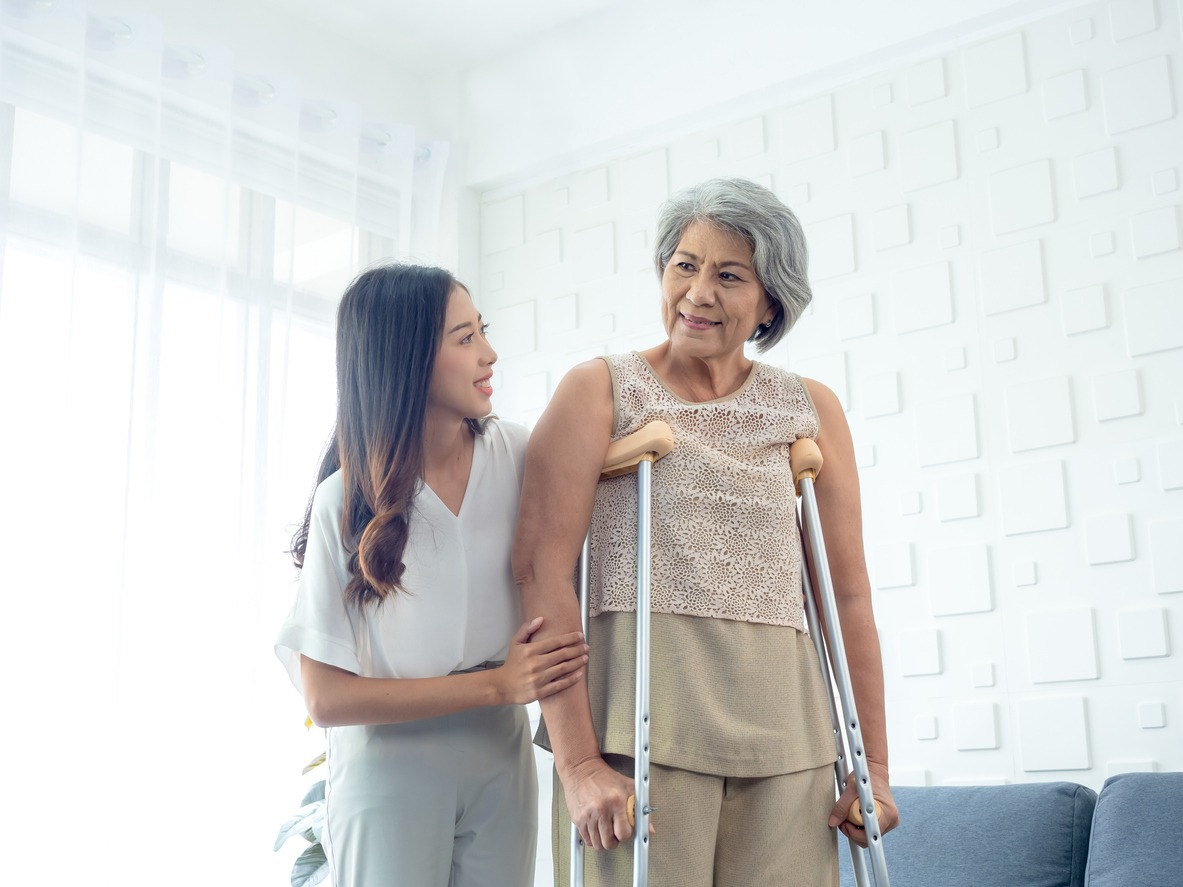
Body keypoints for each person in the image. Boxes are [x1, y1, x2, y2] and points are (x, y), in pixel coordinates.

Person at [512, 178, 900, 886]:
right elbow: (538, 572)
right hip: (642, 729)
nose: (696, 292)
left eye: (728, 275)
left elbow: (846, 596)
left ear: (770, 300)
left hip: (790, 742)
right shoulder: (598, 389)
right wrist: (576, 763)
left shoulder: (809, 407)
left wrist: (870, 764)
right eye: (683, 265)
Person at [276, 264, 589, 887]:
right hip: (390, 764)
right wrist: (498, 687)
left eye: (483, 332)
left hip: (500, 755)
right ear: (409, 358)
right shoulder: (347, 500)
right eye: (465, 337)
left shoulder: (523, 458)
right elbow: (326, 698)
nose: (489, 353)